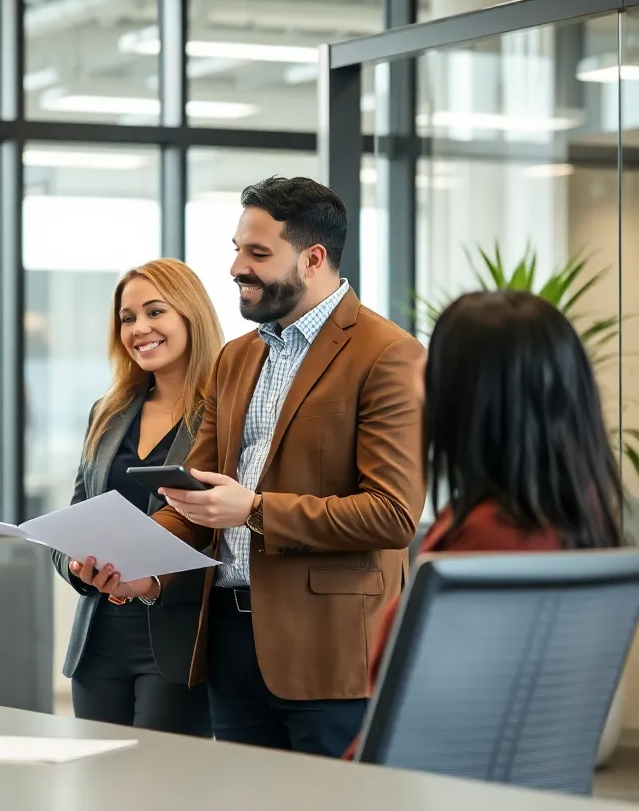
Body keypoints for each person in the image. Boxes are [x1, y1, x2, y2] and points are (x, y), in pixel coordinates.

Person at [70, 176, 426, 757]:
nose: (237, 267)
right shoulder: (238, 357)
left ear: (313, 259)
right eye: (237, 249)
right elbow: (193, 497)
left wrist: (256, 510)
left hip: (328, 651)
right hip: (230, 642)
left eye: (258, 253)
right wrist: (141, 567)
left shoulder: (389, 355)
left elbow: (392, 515)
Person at [340, 289, 625, 758]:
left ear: (470, 392)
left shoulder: (495, 537)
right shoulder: (571, 515)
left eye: (435, 363)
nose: (418, 375)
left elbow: (423, 714)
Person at [52, 259, 222, 736]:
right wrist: (72, 566)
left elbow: (221, 532)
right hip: (98, 640)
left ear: (190, 316)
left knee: (159, 792)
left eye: (154, 312)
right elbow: (75, 517)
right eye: (127, 318)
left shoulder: (223, 413)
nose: (139, 328)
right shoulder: (107, 413)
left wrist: (152, 579)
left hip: (177, 641)